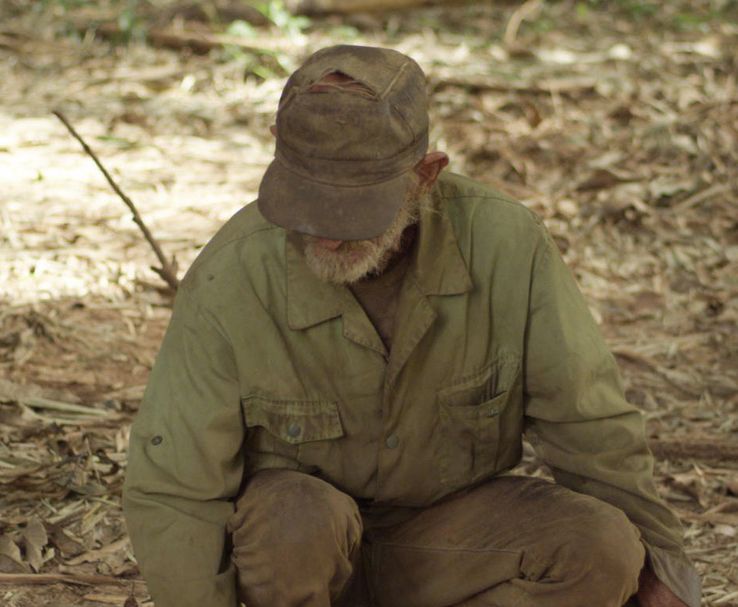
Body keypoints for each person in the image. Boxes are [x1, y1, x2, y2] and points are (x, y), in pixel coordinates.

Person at [123, 45, 700, 607]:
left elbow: (588, 422)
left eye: (354, 210)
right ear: (277, 151)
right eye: (306, 201)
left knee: (602, 546)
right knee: (295, 517)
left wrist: (662, 567)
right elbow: (176, 488)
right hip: (301, 559)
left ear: (425, 175)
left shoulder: (507, 245)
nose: (326, 234)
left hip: (452, 543)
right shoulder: (231, 275)